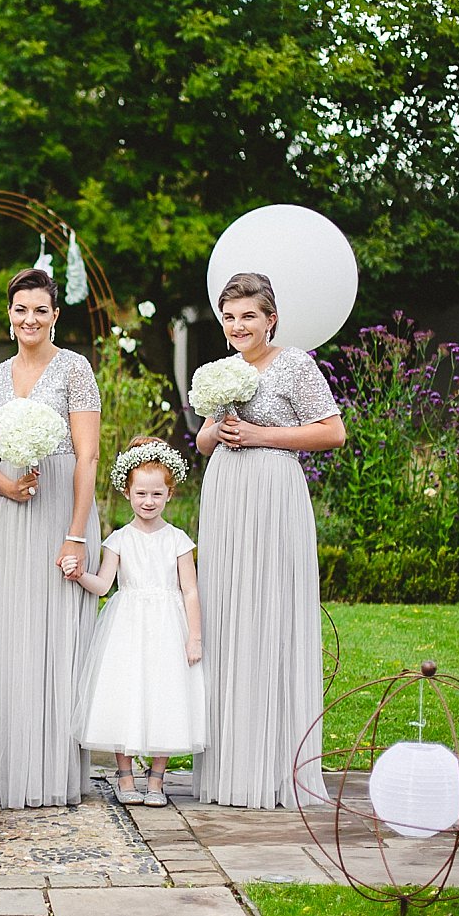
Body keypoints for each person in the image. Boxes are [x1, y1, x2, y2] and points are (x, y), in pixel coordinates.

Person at [192, 272, 346, 809]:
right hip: (227, 495)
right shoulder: (222, 372)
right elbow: (205, 443)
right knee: (228, 613)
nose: (238, 326)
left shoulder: (295, 365)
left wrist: (262, 435)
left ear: (270, 318)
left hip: (274, 492)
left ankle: (277, 763)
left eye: (248, 316)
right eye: (230, 317)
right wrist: (218, 426)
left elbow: (332, 431)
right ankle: (231, 763)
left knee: (270, 612)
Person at [0, 267, 101, 808]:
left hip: (59, 510)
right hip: (9, 513)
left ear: (55, 316)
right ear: (9, 315)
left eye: (41, 311)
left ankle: (51, 771)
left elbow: (88, 455)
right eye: (21, 310)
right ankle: (8, 765)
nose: (30, 319)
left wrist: (76, 534)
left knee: (56, 633)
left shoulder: (75, 369)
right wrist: (6, 485)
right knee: (7, 629)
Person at [68, 438, 205, 808]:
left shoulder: (177, 541)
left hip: (166, 626)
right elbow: (102, 584)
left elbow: (190, 591)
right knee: (124, 693)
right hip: (127, 626)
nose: (149, 501)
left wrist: (194, 637)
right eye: (141, 493)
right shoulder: (119, 539)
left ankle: (157, 779)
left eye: (157, 494)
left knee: (165, 695)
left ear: (169, 494)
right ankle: (125, 774)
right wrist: (81, 574)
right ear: (127, 492)